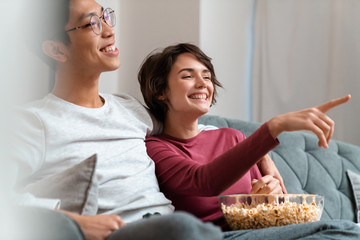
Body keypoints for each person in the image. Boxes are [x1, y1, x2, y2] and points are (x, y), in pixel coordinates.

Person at [8, 0, 360, 239]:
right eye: (91, 24)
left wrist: (265, 160)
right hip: (132, 232)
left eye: (107, 16)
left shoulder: (131, 110)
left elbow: (195, 130)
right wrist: (74, 223)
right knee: (187, 230)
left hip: (176, 225)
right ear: (56, 50)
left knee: (341, 229)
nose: (110, 31)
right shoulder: (34, 121)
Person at [138, 43, 353, 229]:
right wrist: (274, 126)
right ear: (160, 91)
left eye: (206, 76)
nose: (203, 83)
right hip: (216, 235)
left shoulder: (232, 138)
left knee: (343, 230)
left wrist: (270, 196)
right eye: (187, 76)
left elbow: (274, 209)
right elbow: (204, 181)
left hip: (259, 232)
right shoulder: (156, 148)